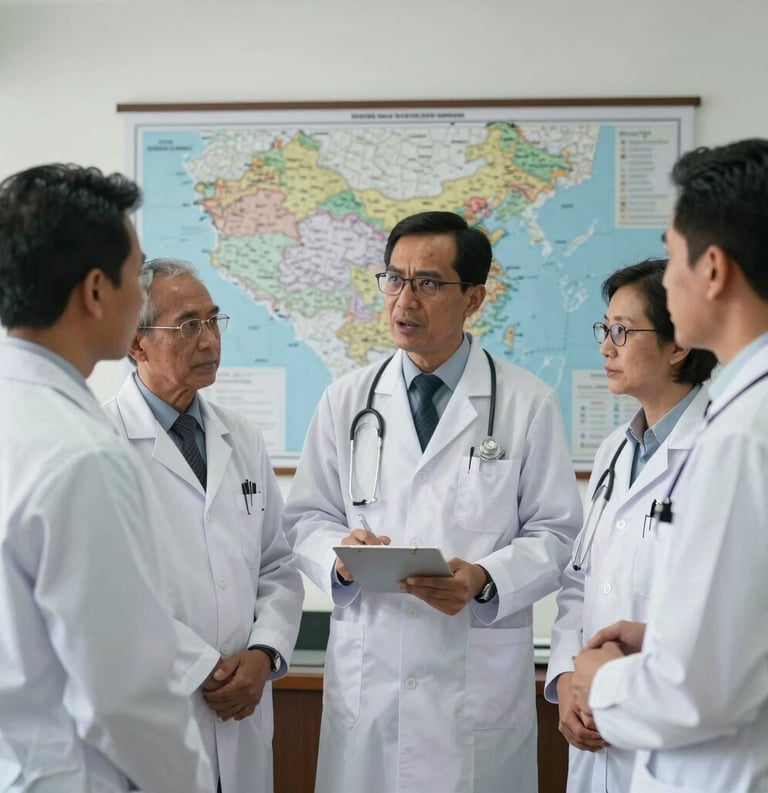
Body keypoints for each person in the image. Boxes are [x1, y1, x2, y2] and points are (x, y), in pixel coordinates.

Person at [283, 210, 582, 793]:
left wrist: (485, 578)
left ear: (474, 298)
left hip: (474, 684)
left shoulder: (527, 402)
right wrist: (339, 556)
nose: (404, 300)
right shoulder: (346, 399)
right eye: (393, 279)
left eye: (427, 283)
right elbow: (306, 518)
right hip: (372, 682)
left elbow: (558, 533)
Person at [0, 164, 212, 792]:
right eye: (134, 274)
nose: (139, 297)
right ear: (96, 291)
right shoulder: (82, 454)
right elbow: (126, 698)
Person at [572, 138, 768, 792]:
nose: (670, 276)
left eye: (673, 253)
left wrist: (599, 678)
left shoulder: (741, 434)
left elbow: (695, 689)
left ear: (711, 270)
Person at [103, 258, 303, 793]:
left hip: (243, 714)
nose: (210, 341)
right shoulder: (100, 444)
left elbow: (278, 564)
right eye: (188, 325)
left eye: (214, 321)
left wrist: (264, 654)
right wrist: (206, 670)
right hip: (154, 715)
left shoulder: (241, 436)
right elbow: (104, 594)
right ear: (135, 342)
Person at [545, 259, 717, 792]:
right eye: (605, 329)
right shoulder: (614, 452)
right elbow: (580, 580)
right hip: (595, 726)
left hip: (677, 735)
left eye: (622, 331)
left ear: (679, 344)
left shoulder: (722, 450)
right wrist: (568, 678)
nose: (605, 347)